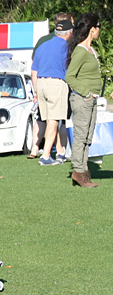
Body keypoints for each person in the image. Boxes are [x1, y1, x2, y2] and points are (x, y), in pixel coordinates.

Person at [65, 13, 103, 187]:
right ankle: (78, 171)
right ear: (92, 29)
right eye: (98, 27)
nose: (99, 31)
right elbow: (70, 77)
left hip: (92, 99)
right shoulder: (80, 50)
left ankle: (83, 170)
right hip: (82, 99)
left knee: (88, 137)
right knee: (81, 136)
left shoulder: (90, 49)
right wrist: (86, 94)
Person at [30, 13, 74, 156]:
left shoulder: (42, 45)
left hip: (41, 83)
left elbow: (34, 71)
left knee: (45, 120)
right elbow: (70, 71)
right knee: (55, 121)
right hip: (56, 83)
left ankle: (44, 149)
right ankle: (46, 154)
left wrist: (36, 91)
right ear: (70, 33)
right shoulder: (67, 47)